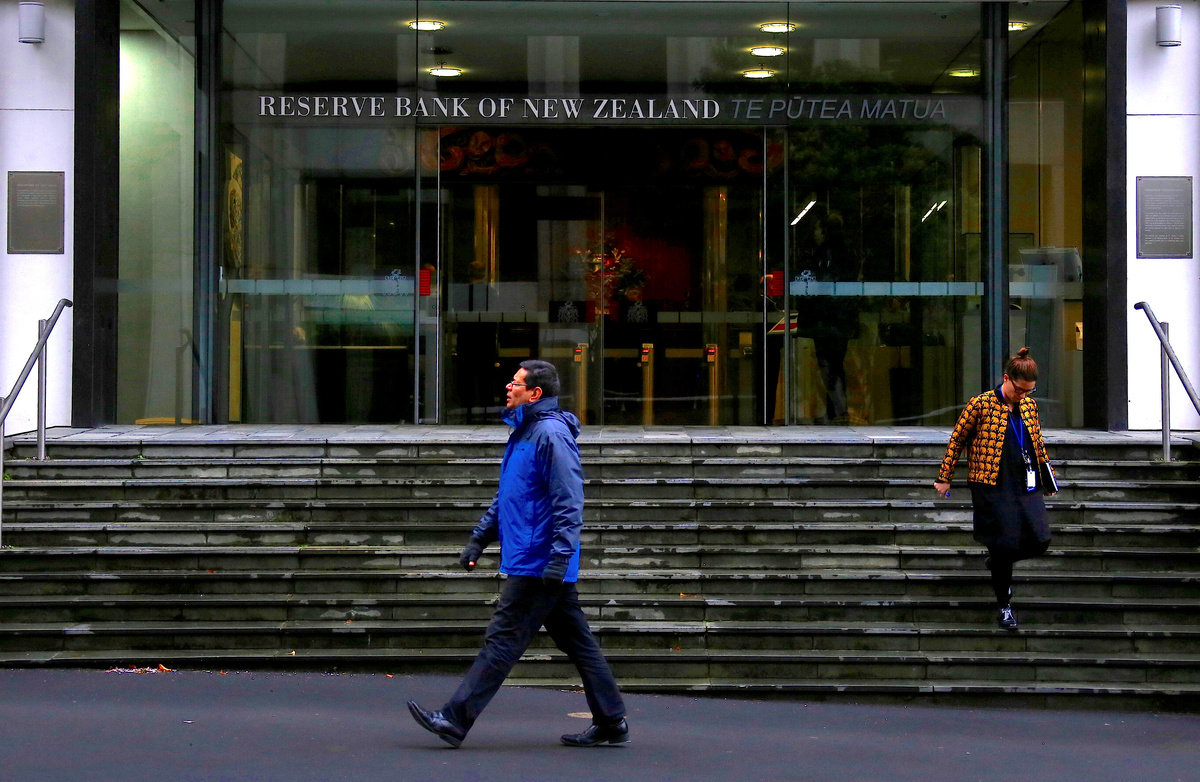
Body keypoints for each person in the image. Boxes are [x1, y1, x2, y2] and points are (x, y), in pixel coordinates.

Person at [407, 360, 628, 748]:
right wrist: (479, 539)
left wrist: (559, 557)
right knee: (578, 643)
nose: (509, 387)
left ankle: (455, 718)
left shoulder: (550, 435)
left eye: (516, 383)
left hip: (539, 562)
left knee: (503, 639)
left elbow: (569, 500)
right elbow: (509, 495)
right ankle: (611, 720)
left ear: (535, 393)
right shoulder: (525, 431)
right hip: (535, 558)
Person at [933, 348, 1056, 630]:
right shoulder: (981, 404)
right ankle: (1004, 606)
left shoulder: (1029, 407)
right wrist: (945, 476)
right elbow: (956, 440)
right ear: (1006, 378)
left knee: (1041, 539)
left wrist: (1047, 478)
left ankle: (998, 561)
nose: (1023, 395)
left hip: (1025, 482)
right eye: (1019, 389)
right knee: (1004, 543)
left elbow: (1038, 443)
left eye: (1029, 391)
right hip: (992, 484)